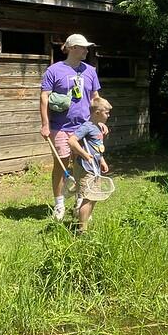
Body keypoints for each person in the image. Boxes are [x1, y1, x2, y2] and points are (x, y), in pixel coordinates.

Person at [40, 34, 102, 220]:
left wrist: (98, 121)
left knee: (83, 165)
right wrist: (45, 124)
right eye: (83, 47)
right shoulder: (54, 70)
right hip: (60, 126)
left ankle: (80, 201)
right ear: (73, 48)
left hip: (84, 127)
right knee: (61, 164)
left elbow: (95, 98)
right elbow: (44, 97)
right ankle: (59, 204)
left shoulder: (90, 70)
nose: (86, 50)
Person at [68, 97, 111, 233]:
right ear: (97, 113)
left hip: (95, 167)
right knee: (88, 197)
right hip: (86, 167)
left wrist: (102, 161)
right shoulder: (87, 126)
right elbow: (72, 141)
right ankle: (82, 229)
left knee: (94, 196)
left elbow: (97, 147)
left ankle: (83, 222)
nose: (108, 116)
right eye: (106, 113)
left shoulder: (98, 128)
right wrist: (84, 154)